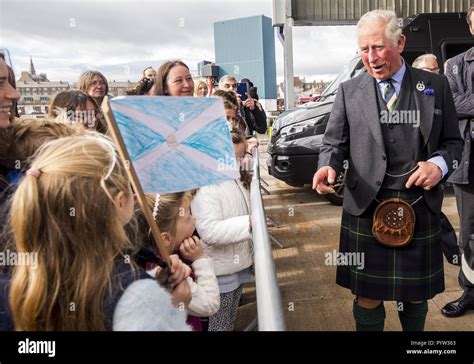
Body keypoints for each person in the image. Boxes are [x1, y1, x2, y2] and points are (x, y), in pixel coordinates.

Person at [312, 10, 463, 331]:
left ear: (400, 42)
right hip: (365, 207)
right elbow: (333, 144)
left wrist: (438, 165)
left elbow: (453, 143)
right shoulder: (349, 91)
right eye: (364, 50)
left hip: (419, 206)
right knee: (367, 295)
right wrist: (327, 167)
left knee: (416, 296)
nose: (371, 57)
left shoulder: (435, 85)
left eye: (378, 47)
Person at [2, 135, 192, 330]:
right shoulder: (138, 298)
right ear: (119, 201)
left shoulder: (23, 282)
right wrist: (174, 307)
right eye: (129, 183)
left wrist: (153, 281)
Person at [191, 129, 254, 331]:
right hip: (221, 272)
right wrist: (248, 223)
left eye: (241, 157)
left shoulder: (236, 179)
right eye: (232, 158)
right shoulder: (206, 188)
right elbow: (209, 231)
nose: (237, 163)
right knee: (219, 324)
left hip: (237, 265)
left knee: (229, 319)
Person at [138, 192, 220, 331]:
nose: (194, 219)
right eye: (188, 217)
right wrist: (200, 259)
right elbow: (210, 304)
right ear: (166, 239)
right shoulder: (171, 273)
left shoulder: (151, 260)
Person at [411, 54, 461, 267]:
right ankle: (452, 251)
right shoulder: (410, 94)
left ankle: (453, 252)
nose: (437, 74)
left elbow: (450, 139)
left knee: (434, 216)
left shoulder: (440, 91)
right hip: (406, 176)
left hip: (433, 174)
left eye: (437, 70)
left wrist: (439, 168)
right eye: (432, 71)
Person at [442, 5, 474, 318]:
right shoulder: (454, 64)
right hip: (470, 163)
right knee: (469, 234)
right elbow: (451, 103)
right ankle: (470, 292)